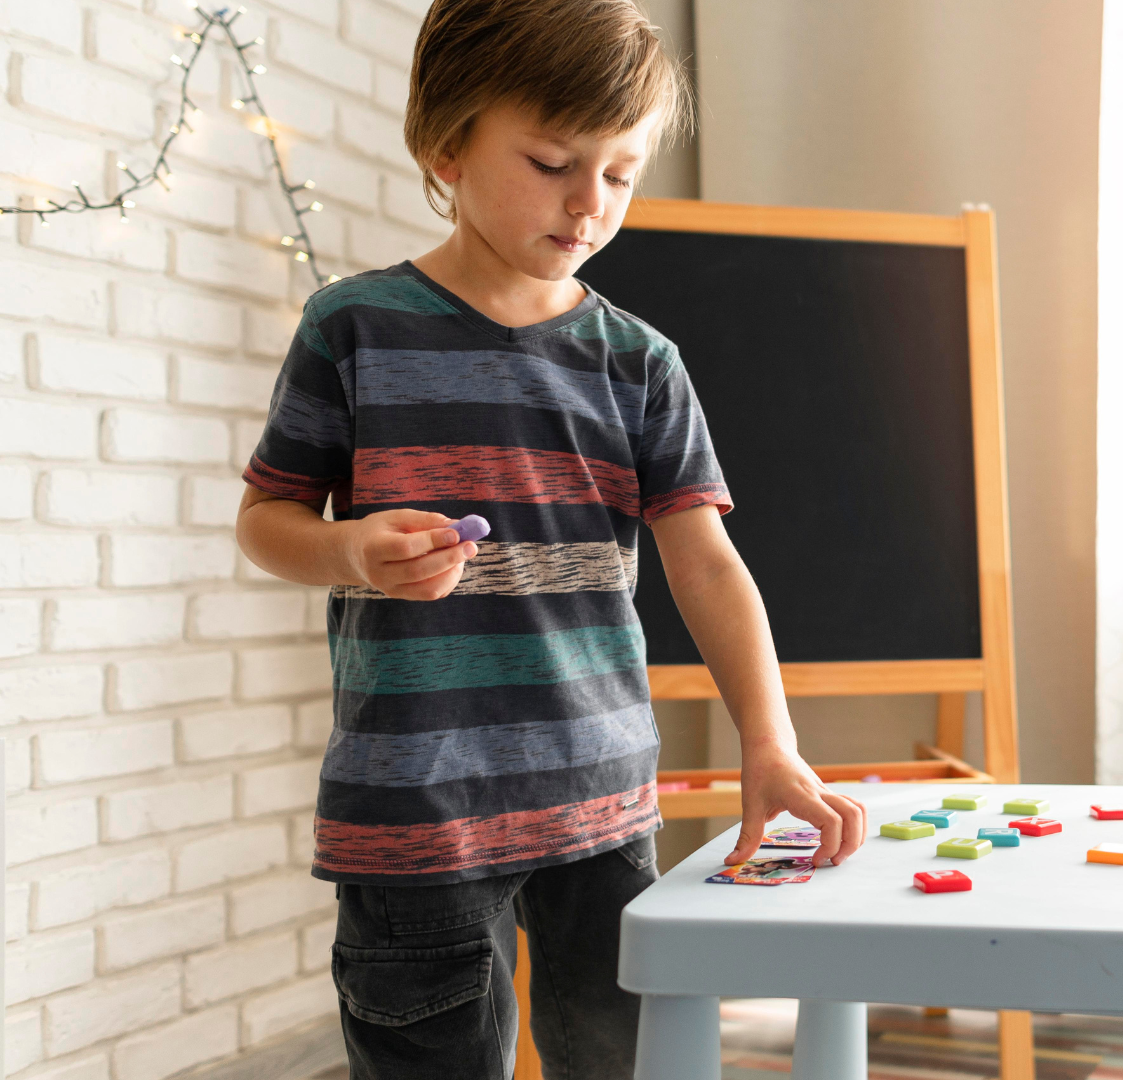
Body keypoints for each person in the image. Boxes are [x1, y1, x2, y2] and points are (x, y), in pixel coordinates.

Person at [233, 0, 866, 1074]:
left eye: (620, 173)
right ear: (446, 145)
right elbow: (267, 520)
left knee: (627, 1061)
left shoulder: (640, 361)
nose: (590, 203)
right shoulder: (353, 329)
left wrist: (770, 740)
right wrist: (346, 552)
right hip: (415, 812)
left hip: (601, 800)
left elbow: (706, 560)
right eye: (554, 161)